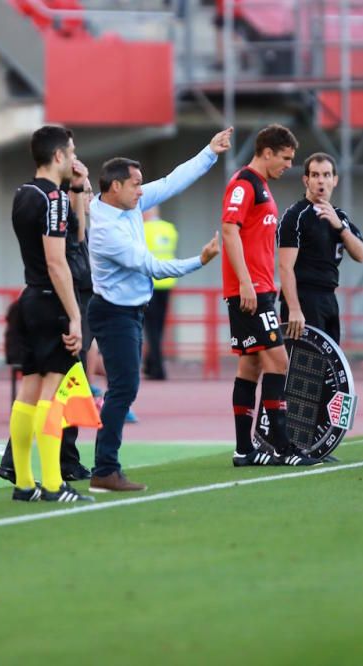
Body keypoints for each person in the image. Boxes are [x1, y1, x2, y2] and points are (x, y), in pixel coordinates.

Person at [87, 129, 229, 491]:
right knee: (122, 389)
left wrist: (209, 152)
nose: (142, 190)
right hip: (113, 312)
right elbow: (151, 265)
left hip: (129, 311)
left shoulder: (126, 203)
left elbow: (172, 181)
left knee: (123, 388)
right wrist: (200, 260)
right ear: (115, 187)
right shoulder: (106, 230)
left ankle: (94, 465)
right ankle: (104, 469)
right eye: (135, 184)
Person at [222, 124, 321, 468]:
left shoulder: (261, 186)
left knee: (250, 365)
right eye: (286, 158)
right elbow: (228, 230)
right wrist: (247, 283)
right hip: (252, 293)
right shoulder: (244, 184)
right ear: (266, 152)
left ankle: (243, 450)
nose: (288, 165)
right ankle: (281, 447)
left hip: (258, 290)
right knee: (279, 362)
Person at [4, 124, 94, 503]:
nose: (74, 158)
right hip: (51, 300)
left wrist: (77, 191)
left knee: (29, 389)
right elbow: (59, 263)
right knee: (54, 394)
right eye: (71, 152)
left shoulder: (23, 193)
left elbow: (75, 237)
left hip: (28, 297)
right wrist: (74, 316)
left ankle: (25, 483)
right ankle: (55, 484)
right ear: (58, 156)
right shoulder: (52, 199)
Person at [277, 152, 363, 346]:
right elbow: (285, 267)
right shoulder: (296, 216)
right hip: (304, 297)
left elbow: (360, 254)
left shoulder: (340, 216)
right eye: (315, 175)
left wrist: (340, 227)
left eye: (326, 175)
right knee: (305, 369)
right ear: (306, 180)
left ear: (335, 180)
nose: (321, 181)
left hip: (329, 297)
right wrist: (294, 309)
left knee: (328, 369)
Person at [142, 205, 178, 380]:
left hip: (149, 283)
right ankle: (150, 364)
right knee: (159, 326)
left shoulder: (142, 229)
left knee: (150, 327)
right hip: (167, 281)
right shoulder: (169, 228)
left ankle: (157, 368)